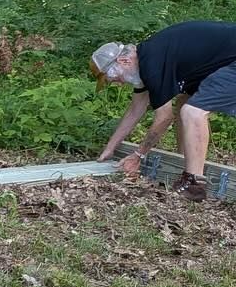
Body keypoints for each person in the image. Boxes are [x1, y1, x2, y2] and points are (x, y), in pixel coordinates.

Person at [93, 20, 236, 202]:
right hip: (226, 59)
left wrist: (138, 155)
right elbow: (135, 110)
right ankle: (186, 162)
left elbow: (164, 117)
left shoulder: (151, 65)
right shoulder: (147, 59)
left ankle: (194, 186)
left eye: (114, 76)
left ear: (124, 60)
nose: (118, 82)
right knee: (185, 104)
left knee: (192, 111)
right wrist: (110, 148)